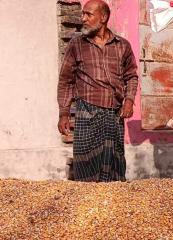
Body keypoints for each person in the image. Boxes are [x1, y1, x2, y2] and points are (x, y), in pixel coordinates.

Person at [57, 0, 138, 182]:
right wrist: (64, 113)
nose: (83, 18)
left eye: (88, 14)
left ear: (103, 17)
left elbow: (131, 76)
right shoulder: (77, 45)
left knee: (114, 168)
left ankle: (113, 207)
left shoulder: (122, 45)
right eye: (83, 14)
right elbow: (65, 80)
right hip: (87, 113)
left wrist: (129, 100)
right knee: (85, 166)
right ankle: (84, 207)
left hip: (114, 114)